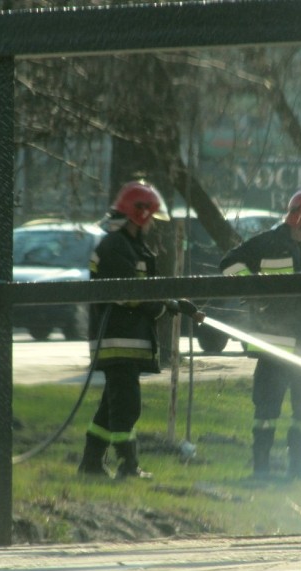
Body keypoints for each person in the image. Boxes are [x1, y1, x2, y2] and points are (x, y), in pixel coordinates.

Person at [219, 187, 301, 481]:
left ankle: (297, 471)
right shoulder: (267, 243)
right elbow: (229, 264)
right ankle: (261, 470)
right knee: (266, 410)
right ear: (298, 215)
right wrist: (254, 291)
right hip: (274, 345)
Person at [77, 180, 202, 479]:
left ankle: (91, 464)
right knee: (127, 408)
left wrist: (176, 304)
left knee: (111, 406)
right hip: (117, 339)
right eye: (151, 220)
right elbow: (127, 294)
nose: (153, 227)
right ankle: (128, 466)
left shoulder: (131, 246)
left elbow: (144, 290)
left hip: (127, 338)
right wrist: (160, 307)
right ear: (140, 214)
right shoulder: (114, 247)